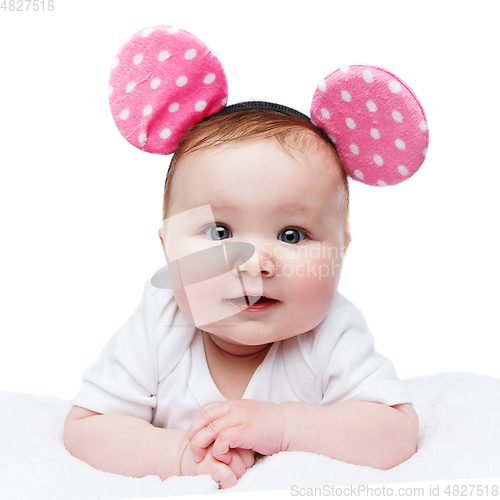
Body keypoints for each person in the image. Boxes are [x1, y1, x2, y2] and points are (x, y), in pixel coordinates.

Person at [64, 26, 428, 490]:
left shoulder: (331, 331)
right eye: (219, 232)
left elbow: (395, 436)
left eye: (292, 234)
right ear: (168, 248)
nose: (255, 262)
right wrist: (178, 456)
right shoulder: (162, 321)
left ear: (340, 253)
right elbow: (86, 428)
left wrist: (283, 426)